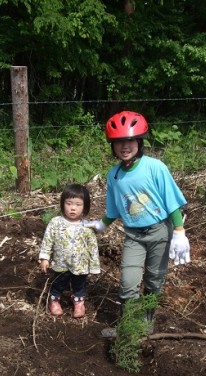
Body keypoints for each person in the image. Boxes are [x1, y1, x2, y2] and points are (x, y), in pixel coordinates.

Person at [84, 110, 190, 330]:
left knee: (154, 279)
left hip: (160, 231)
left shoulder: (155, 167)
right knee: (128, 282)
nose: (124, 146)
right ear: (112, 145)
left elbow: (171, 202)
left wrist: (179, 230)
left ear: (140, 142)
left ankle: (147, 321)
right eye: (119, 142)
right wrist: (102, 223)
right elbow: (114, 208)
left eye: (130, 140)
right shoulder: (114, 175)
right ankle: (128, 327)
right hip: (133, 235)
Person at [39, 183, 100, 318]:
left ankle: (79, 303)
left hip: (81, 265)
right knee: (59, 283)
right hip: (61, 263)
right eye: (69, 203)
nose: (73, 208)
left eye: (78, 204)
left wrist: (94, 267)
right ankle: (54, 300)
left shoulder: (87, 226)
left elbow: (92, 247)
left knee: (80, 285)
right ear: (63, 204)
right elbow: (47, 240)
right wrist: (45, 258)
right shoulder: (56, 222)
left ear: (85, 207)